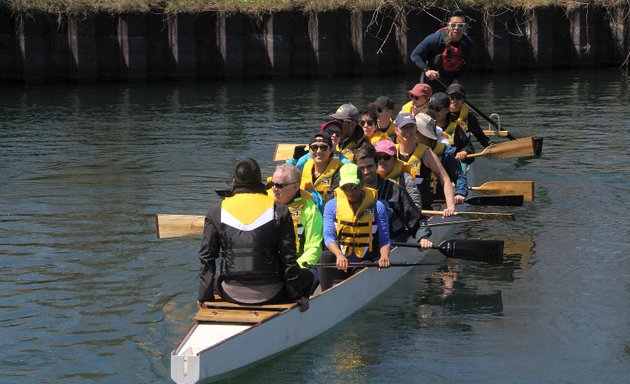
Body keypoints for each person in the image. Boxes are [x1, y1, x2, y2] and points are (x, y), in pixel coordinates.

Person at [197, 158, 312, 311]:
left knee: (217, 273)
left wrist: (204, 296)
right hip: (273, 293)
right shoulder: (279, 210)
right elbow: (288, 258)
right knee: (309, 276)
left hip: (231, 293)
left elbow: (207, 257)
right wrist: (296, 296)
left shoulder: (216, 211)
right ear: (261, 181)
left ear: (233, 181)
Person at [319, 163, 391, 291]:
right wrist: (339, 255)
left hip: (364, 260)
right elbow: (329, 237)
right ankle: (324, 295)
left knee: (363, 268)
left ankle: (356, 289)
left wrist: (384, 256)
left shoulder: (377, 206)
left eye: (353, 187)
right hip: (340, 260)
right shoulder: (331, 206)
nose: (349, 192)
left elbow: (384, 240)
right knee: (326, 256)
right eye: (345, 187)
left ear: (362, 183)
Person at [354, 144, 432, 247]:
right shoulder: (351, 191)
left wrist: (423, 237)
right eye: (361, 168)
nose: (366, 172)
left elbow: (416, 219)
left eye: (370, 166)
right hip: (361, 246)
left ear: (376, 165)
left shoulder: (396, 190)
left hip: (392, 242)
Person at [269, 164, 323, 292]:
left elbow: (314, 247)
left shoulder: (310, 210)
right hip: (268, 265)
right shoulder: (264, 204)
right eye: (273, 184)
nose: (274, 189)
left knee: (312, 276)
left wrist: (293, 268)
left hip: (296, 265)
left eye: (280, 186)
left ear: (295, 186)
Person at [393, 112, 456, 217]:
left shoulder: (426, 153)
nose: (408, 131)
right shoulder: (390, 153)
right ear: (396, 130)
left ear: (416, 129)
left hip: (422, 210)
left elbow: (445, 180)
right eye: (404, 127)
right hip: (397, 210)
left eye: (411, 127)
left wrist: (450, 206)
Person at [410, 9, 474, 92]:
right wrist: (427, 70)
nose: (456, 28)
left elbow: (465, 65)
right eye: (453, 25)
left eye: (460, 25)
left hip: (451, 82)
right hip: (431, 79)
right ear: (448, 25)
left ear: (466, 27)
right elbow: (415, 55)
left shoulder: (468, 44)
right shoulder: (434, 39)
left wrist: (457, 79)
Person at [415, 112, 468, 207]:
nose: (412, 134)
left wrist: (460, 193)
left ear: (425, 135)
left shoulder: (445, 152)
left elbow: (459, 176)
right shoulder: (410, 150)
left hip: (440, 197)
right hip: (419, 199)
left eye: (416, 131)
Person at [444, 84, 492, 163]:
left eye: (458, 97)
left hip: (463, 155)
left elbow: (481, 137)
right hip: (443, 154)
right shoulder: (440, 114)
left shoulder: (470, 118)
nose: (454, 100)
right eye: (451, 97)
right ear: (447, 98)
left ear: (463, 100)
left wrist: (490, 146)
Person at [373, 139, 422, 211]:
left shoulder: (406, 179)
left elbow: (416, 208)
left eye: (387, 157)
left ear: (395, 160)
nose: (381, 161)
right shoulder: (369, 177)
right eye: (378, 157)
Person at [299, 132, 343, 211]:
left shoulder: (339, 170)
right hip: (308, 211)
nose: (319, 151)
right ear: (309, 150)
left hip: (329, 212)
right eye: (314, 147)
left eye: (323, 148)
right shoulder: (306, 165)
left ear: (330, 150)